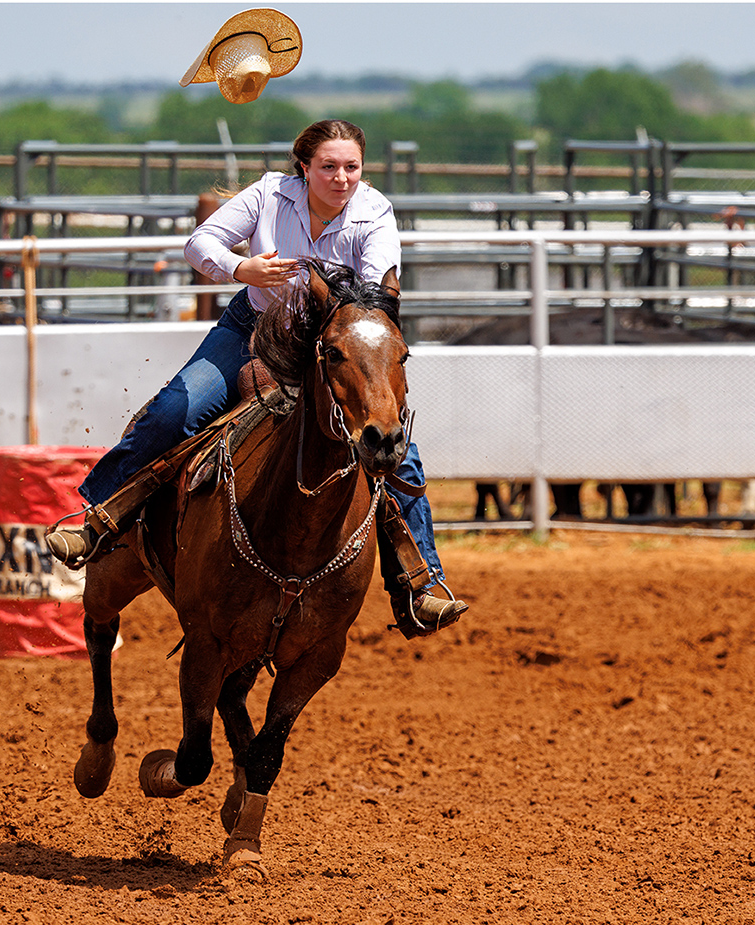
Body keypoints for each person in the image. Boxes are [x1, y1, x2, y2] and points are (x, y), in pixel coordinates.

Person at [46, 119, 468, 635]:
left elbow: (374, 289)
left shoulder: (374, 211)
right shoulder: (270, 194)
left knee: (396, 450)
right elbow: (201, 243)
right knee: (175, 410)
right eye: (329, 167)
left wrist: (321, 291)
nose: (341, 178)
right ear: (304, 167)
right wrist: (241, 270)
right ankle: (97, 518)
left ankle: (420, 583)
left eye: (351, 167)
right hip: (253, 328)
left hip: (332, 344)